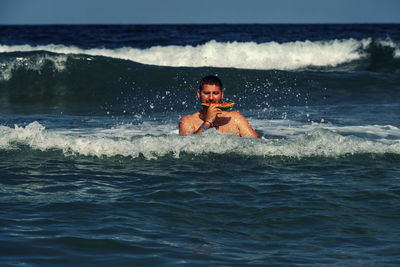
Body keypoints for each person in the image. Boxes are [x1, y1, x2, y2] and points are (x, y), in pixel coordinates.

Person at [179, 75, 260, 139]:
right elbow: (187, 146)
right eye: (207, 93)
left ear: (222, 94)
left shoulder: (235, 118)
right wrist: (207, 122)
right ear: (199, 94)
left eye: (215, 93)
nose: (211, 98)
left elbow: (257, 144)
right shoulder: (187, 121)